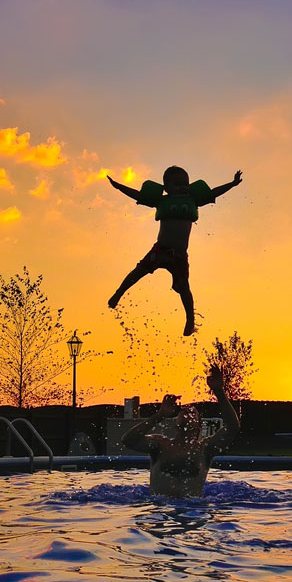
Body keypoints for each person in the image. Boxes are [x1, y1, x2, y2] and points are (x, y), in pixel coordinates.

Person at [107, 166, 243, 336]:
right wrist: (119, 186)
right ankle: (118, 293)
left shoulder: (193, 200)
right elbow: (138, 195)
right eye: (178, 184)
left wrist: (231, 184)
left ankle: (190, 320)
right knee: (138, 271)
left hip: (179, 256)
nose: (183, 187)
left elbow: (213, 193)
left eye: (186, 184)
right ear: (167, 188)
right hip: (160, 250)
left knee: (185, 288)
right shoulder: (161, 201)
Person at [121, 366, 240, 498]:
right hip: (160, 512)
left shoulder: (205, 449)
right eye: (183, 410)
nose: (187, 409)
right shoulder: (159, 444)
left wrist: (219, 391)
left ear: (199, 425)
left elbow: (232, 427)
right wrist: (159, 415)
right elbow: (128, 441)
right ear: (175, 422)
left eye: (192, 412)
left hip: (194, 513)